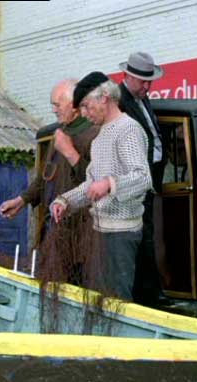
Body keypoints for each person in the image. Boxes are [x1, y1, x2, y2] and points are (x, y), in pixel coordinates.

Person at [50, 72, 152, 301]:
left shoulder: (128, 129)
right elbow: (90, 184)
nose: (84, 114)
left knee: (117, 304)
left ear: (104, 97)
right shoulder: (100, 137)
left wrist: (109, 184)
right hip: (99, 233)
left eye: (86, 106)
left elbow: (143, 178)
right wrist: (66, 200)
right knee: (100, 302)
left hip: (121, 235)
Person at [0, 79, 99, 283]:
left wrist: (70, 152)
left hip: (82, 236)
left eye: (57, 104)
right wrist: (22, 200)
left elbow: (96, 184)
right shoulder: (60, 134)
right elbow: (46, 177)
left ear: (74, 105)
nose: (53, 110)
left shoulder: (94, 135)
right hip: (55, 231)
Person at [118, 51, 169, 306]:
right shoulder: (119, 102)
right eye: (142, 81)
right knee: (142, 239)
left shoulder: (142, 100)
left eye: (149, 82)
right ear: (127, 77)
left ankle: (151, 293)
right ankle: (148, 295)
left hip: (150, 181)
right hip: (134, 184)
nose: (147, 86)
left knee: (150, 237)